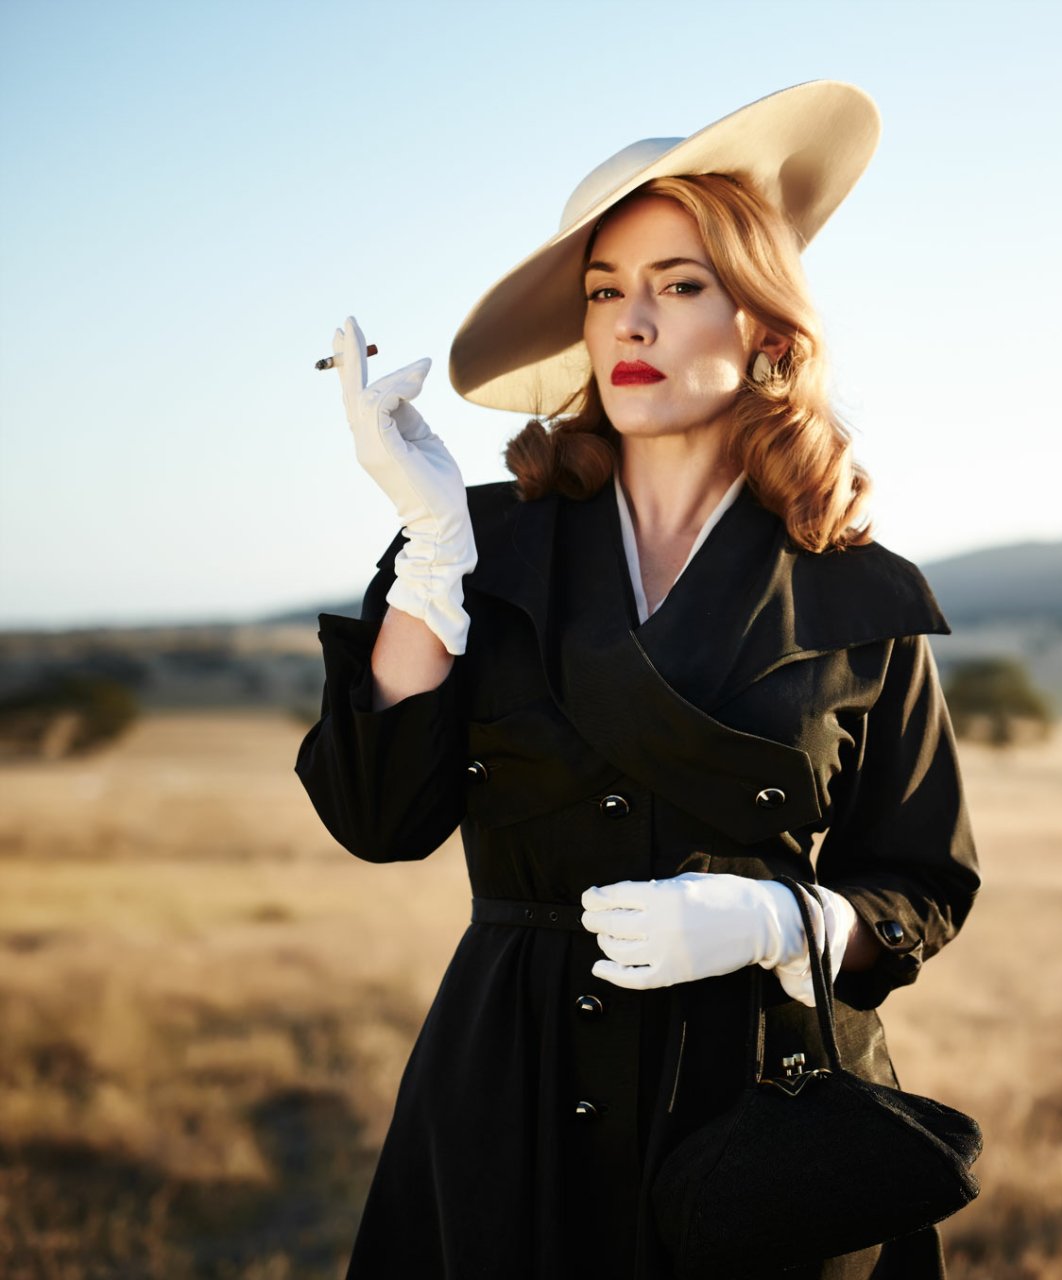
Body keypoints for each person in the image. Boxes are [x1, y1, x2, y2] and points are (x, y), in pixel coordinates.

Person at [294, 81, 981, 1279]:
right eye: (606, 291)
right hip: (510, 1095)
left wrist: (786, 920)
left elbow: (921, 879)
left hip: (756, 1114)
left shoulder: (859, 591)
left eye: (679, 285)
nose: (633, 323)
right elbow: (379, 815)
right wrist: (432, 544)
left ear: (767, 328)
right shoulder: (480, 546)